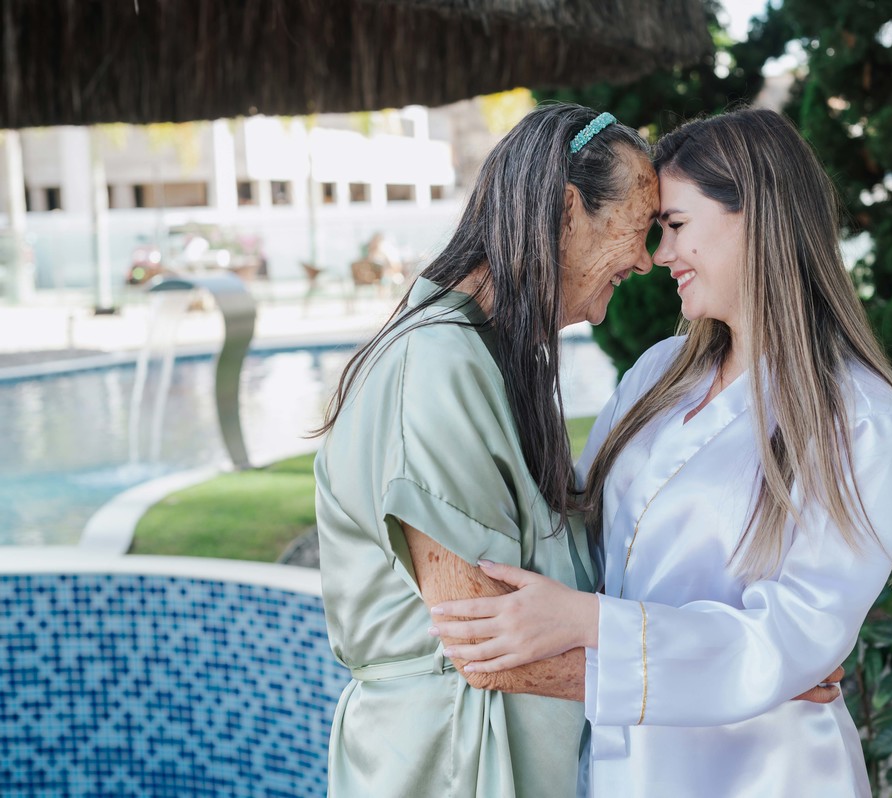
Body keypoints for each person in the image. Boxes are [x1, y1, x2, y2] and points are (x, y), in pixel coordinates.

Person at [312, 105, 842, 798]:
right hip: (451, 767)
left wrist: (756, 660)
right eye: (640, 230)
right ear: (567, 212)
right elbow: (489, 650)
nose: (647, 261)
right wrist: (755, 680)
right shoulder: (435, 367)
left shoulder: (486, 356)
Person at [429, 108, 892, 797]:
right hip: (621, 765)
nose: (658, 255)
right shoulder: (659, 373)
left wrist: (588, 622)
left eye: (675, 226)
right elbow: (576, 536)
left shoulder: (858, 418)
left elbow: (791, 638)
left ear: (757, 218)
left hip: (764, 773)